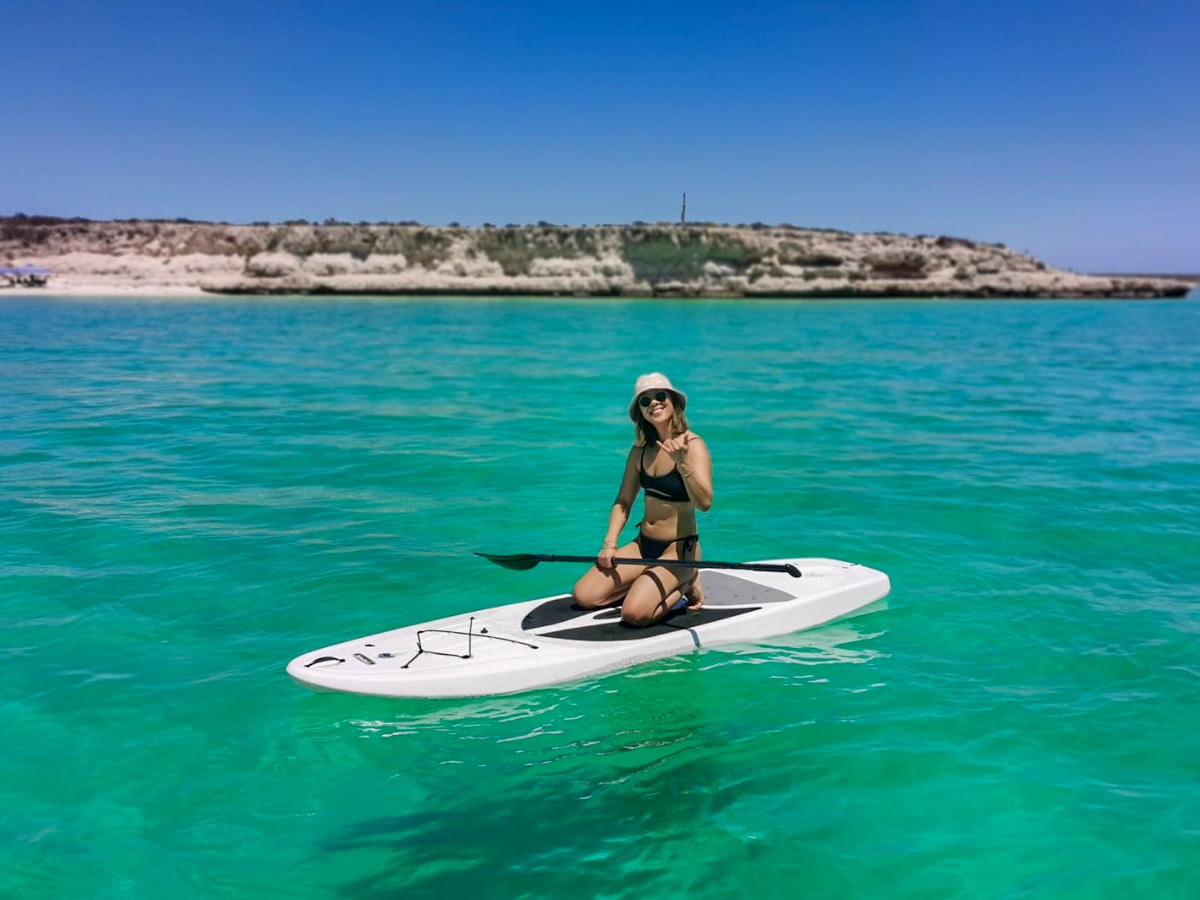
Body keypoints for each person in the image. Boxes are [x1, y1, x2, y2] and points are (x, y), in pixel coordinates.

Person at [572, 373, 713, 626]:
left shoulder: (693, 445)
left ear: (673, 402)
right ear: (640, 411)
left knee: (634, 614)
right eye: (645, 401)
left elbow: (704, 504)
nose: (654, 403)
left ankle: (688, 578)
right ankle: (647, 582)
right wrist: (610, 544)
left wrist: (683, 465)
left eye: (660, 396)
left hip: (679, 550)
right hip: (643, 546)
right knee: (584, 595)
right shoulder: (640, 451)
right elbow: (623, 501)